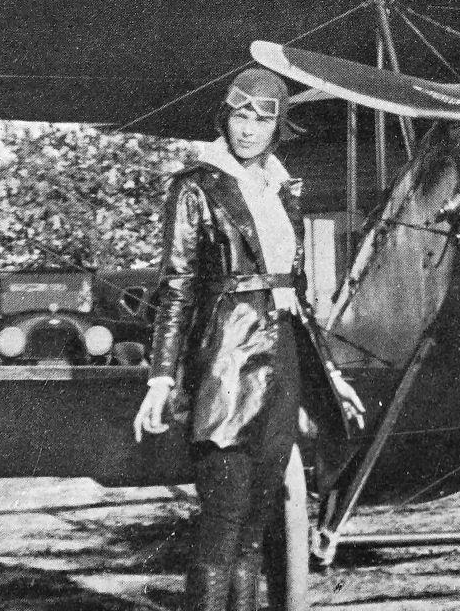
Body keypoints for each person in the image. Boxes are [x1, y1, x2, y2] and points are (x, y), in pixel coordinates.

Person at [132, 68, 366, 611]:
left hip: (284, 359)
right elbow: (177, 287)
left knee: (255, 529)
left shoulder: (282, 190)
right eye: (239, 116)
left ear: (278, 127)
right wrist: (161, 378)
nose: (247, 129)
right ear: (225, 117)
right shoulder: (195, 187)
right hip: (227, 362)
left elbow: (296, 293)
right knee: (223, 523)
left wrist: (329, 372)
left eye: (261, 120)